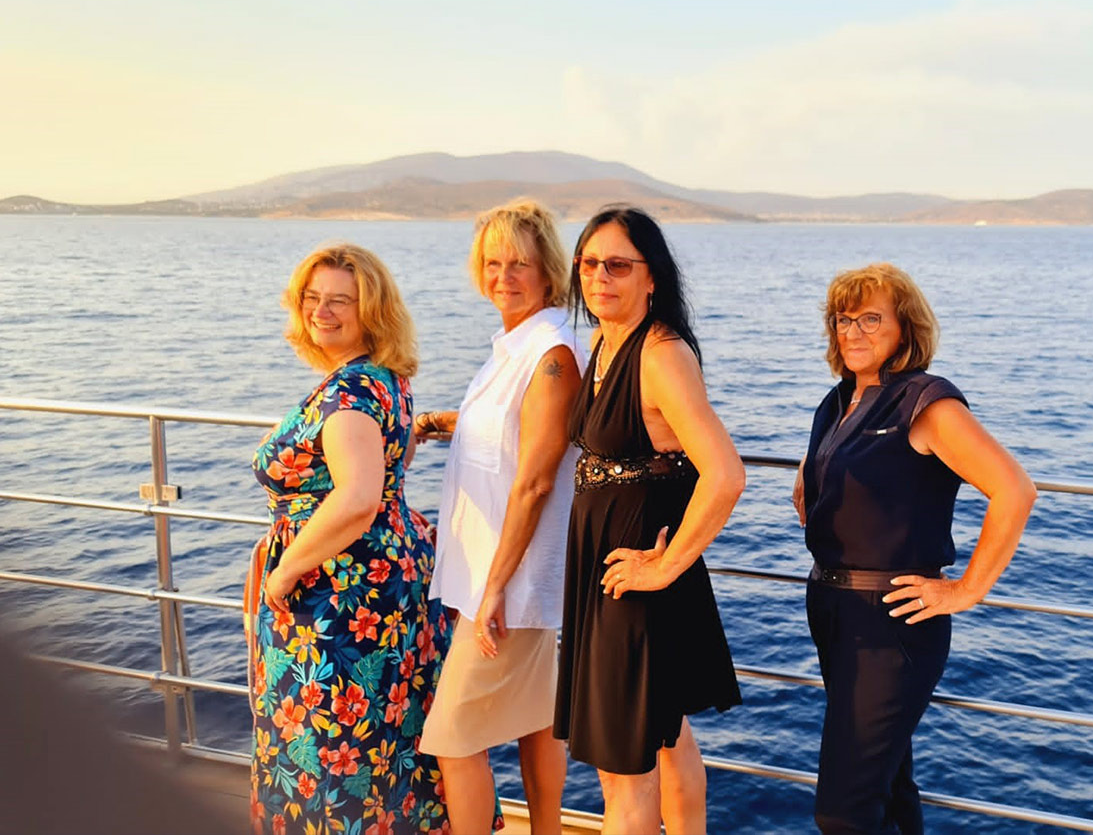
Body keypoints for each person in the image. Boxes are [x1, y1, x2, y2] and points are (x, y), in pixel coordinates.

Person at [792, 263, 1037, 835]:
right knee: (888, 790)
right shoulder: (838, 404)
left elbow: (1014, 490)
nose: (852, 331)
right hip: (834, 612)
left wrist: (967, 590)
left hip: (892, 622)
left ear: (907, 328)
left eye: (870, 318)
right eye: (842, 319)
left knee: (844, 812)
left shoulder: (925, 402)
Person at [245, 243, 449, 835]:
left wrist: (284, 572)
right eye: (312, 298)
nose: (322, 311)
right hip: (385, 580)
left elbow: (358, 497)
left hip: (337, 597)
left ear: (372, 311)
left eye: (340, 300)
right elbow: (385, 470)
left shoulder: (349, 393)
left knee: (332, 747)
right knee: (385, 743)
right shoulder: (387, 380)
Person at [555, 205, 745, 835]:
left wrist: (663, 569)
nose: (599, 277)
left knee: (624, 780)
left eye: (617, 265)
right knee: (668, 740)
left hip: (633, 578)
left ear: (651, 276)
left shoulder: (659, 354)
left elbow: (725, 474)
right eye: (588, 264)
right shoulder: (606, 343)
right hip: (614, 569)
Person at [412, 200, 583, 835]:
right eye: (492, 262)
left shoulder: (552, 354)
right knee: (538, 717)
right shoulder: (515, 347)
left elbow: (536, 478)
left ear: (547, 272)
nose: (503, 275)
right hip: (497, 574)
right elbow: (512, 430)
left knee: (453, 736)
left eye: (519, 263)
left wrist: (493, 589)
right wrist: (439, 422)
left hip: (507, 580)